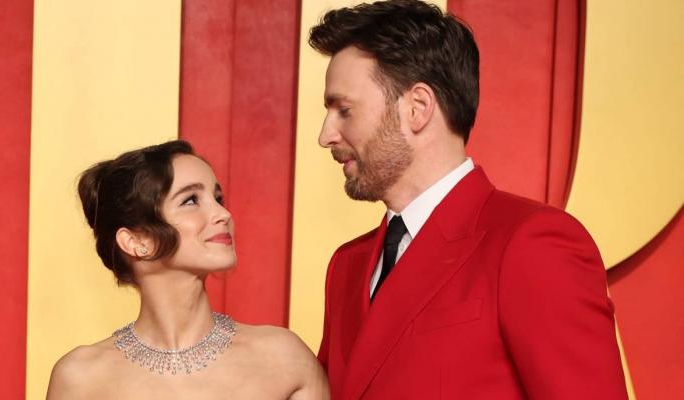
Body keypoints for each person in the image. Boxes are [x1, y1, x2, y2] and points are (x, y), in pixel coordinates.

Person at [309, 1, 628, 399]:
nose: (326, 135)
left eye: (344, 110)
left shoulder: (531, 244)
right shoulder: (347, 266)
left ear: (417, 108)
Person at [47, 140, 328, 400]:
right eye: (191, 200)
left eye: (218, 198)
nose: (223, 214)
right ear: (137, 241)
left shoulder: (283, 359)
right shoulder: (81, 378)